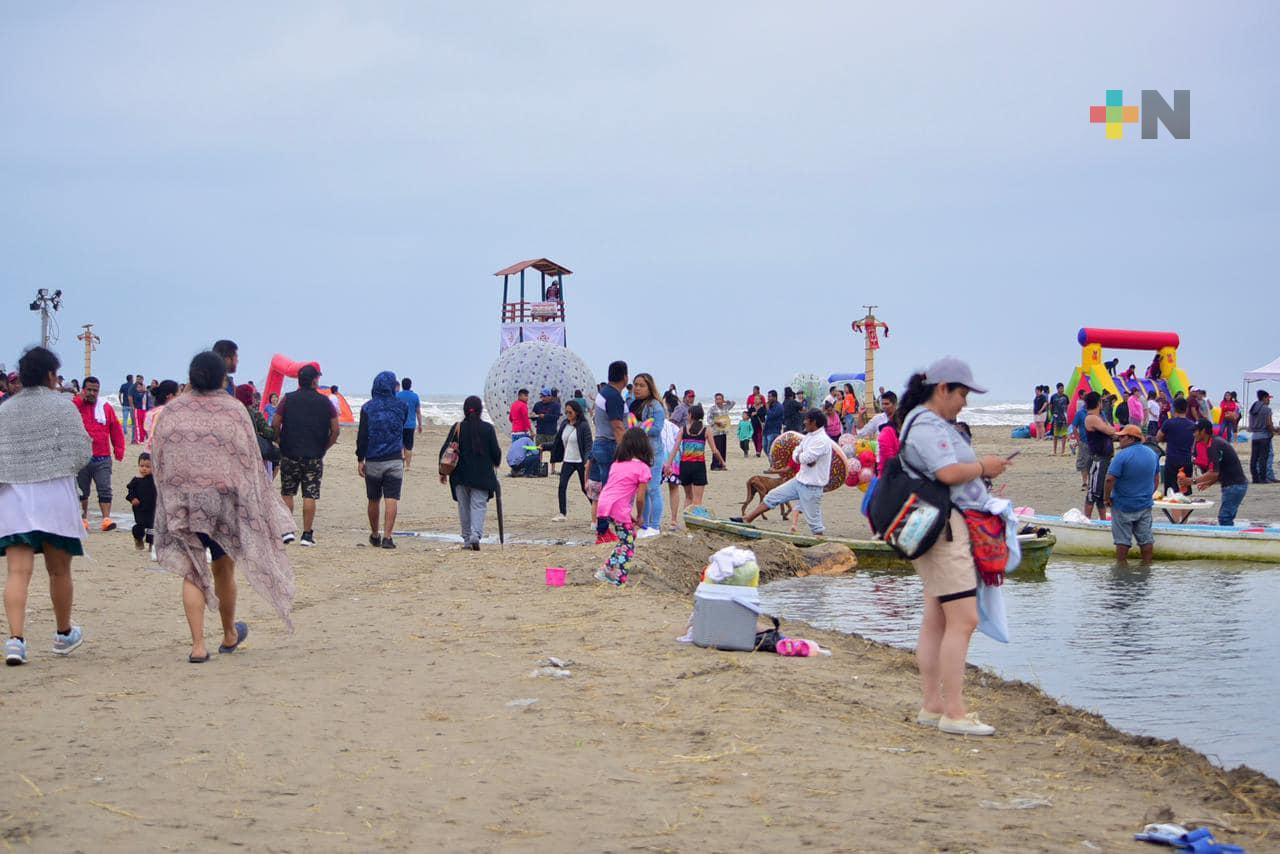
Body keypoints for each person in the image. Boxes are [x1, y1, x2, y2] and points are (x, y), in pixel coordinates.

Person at [152, 351, 295, 663]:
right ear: (221, 378)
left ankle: (198, 645)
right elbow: (248, 459)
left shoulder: (172, 411)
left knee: (192, 571)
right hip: (223, 500)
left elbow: (159, 456)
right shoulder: (234, 411)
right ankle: (229, 633)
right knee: (222, 567)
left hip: (184, 500)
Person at [895, 358, 1010, 737]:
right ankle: (954, 712)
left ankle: (933, 705)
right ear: (942, 388)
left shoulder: (920, 421)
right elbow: (947, 473)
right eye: (962, 393)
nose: (964, 403)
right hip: (946, 530)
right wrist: (983, 467)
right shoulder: (927, 423)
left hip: (937, 527)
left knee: (938, 618)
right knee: (964, 620)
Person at [0, 346, 92, 666]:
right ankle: (63, 633)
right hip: (55, 495)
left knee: (17, 572)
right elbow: (82, 450)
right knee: (59, 570)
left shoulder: (5, 410)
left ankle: (15, 640)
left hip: (14, 496)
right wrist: (56, 466)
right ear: (51, 375)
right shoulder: (63, 407)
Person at [271, 364, 339, 547]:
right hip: (314, 454)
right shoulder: (325, 402)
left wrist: (279, 441)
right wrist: (325, 447)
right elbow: (335, 429)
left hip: (290, 452)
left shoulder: (288, 399)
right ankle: (307, 535)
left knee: (288, 492)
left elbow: (275, 423)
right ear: (315, 380)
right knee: (310, 494)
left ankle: (287, 531)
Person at [733, 409, 832, 535]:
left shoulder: (822, 440)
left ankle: (822, 543)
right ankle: (747, 519)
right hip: (799, 480)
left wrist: (800, 456)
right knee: (773, 496)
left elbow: (806, 458)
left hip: (813, 485)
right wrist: (800, 456)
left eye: (807, 419)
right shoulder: (809, 436)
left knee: (815, 523)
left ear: (814, 422)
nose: (804, 422)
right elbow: (797, 452)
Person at [440, 396, 501, 550]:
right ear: (480, 410)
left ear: (464, 410)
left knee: (464, 507)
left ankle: (467, 539)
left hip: (460, 475)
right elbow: (496, 453)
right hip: (482, 476)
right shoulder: (488, 428)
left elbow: (445, 451)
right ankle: (476, 535)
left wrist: (442, 472)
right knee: (478, 506)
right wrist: (496, 462)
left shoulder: (457, 427)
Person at [593, 428, 653, 586]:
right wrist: (640, 516)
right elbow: (640, 498)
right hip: (617, 507)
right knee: (628, 543)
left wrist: (629, 516)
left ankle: (610, 570)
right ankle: (613, 574)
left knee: (627, 537)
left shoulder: (617, 464)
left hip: (604, 504)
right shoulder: (643, 468)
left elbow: (618, 489)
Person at [356, 371, 409, 549]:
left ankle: (374, 534)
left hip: (373, 458)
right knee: (392, 498)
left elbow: (362, 435)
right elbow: (404, 430)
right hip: (394, 457)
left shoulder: (367, 408)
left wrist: (360, 458)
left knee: (373, 499)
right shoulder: (401, 406)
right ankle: (388, 536)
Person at [72, 376, 126, 532]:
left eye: (95, 390)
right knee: (82, 491)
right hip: (80, 457)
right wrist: (79, 400)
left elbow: (115, 429)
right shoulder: (75, 406)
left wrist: (119, 449)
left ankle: (106, 519)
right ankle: (83, 519)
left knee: (104, 488)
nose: (92, 393)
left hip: (102, 457)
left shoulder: (106, 408)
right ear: (83, 390)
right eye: (89, 389)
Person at [1103, 425, 1159, 565]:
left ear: (1131, 438)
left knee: (1122, 541)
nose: (1119, 439)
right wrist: (1148, 493)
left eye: (1122, 437)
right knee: (1146, 539)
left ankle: (1121, 569)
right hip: (1144, 504)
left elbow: (1110, 479)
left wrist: (1106, 498)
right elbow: (1156, 478)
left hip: (1123, 504)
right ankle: (1146, 567)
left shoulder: (1122, 455)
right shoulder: (1152, 454)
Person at [666, 404, 723, 517]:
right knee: (697, 500)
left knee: (688, 497)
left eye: (688, 414)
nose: (687, 416)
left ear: (691, 415)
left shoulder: (683, 430)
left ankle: (686, 519)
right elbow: (715, 450)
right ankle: (694, 521)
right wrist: (722, 462)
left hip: (685, 466)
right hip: (698, 466)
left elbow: (675, 448)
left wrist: (669, 464)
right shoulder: (706, 430)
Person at [1190, 419, 1250, 525]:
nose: (1193, 434)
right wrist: (1209, 483)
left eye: (1195, 431)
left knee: (1225, 518)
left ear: (1203, 431)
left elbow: (1214, 472)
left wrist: (1192, 481)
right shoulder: (1214, 442)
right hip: (1235, 485)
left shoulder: (1214, 445)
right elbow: (1220, 468)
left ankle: (1230, 540)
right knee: (1226, 517)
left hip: (1234, 486)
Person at [629, 373, 666, 538]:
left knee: (653, 489)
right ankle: (645, 525)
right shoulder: (632, 404)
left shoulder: (655, 406)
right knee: (642, 491)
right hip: (637, 452)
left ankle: (655, 525)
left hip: (653, 453)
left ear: (649, 387)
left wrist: (638, 428)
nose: (637, 388)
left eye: (641, 385)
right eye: (635, 384)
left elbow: (657, 428)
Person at [589, 361, 629, 506]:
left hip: (600, 442)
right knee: (611, 487)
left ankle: (605, 520)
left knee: (606, 485)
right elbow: (618, 426)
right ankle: (606, 522)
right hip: (609, 444)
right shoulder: (613, 396)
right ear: (625, 377)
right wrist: (626, 451)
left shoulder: (604, 392)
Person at [549, 400, 591, 521]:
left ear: (577, 412)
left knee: (585, 488)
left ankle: (598, 510)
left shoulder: (583, 426)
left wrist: (587, 460)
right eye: (566, 412)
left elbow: (588, 445)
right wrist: (545, 446)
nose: (568, 414)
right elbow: (558, 442)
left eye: (570, 412)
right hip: (568, 460)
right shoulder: (564, 424)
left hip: (580, 461)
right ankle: (562, 513)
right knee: (562, 486)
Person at [1083, 391, 1119, 519]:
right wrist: (1110, 429)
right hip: (1097, 460)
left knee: (1101, 494)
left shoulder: (1099, 417)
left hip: (1105, 459)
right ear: (1098, 403)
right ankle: (1086, 519)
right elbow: (1110, 430)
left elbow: (1112, 432)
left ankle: (1103, 520)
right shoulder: (1091, 418)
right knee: (1093, 493)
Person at [1156, 397, 1196, 499]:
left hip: (1172, 460)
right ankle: (1183, 515)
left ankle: (1175, 515)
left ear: (1174, 408)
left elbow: (1158, 437)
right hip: (1186, 460)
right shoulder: (1192, 425)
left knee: (1171, 493)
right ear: (1186, 409)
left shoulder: (1169, 423)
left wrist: (1168, 438)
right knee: (1185, 493)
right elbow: (1194, 442)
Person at [126, 452, 157, 551]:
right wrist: (133, 498)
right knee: (139, 527)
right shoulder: (136, 480)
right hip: (140, 509)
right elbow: (130, 491)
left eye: (148, 466)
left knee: (153, 528)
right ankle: (138, 539)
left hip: (153, 508)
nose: (144, 468)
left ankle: (152, 545)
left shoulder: (156, 480)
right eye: (142, 466)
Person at [1248, 390, 1277, 484]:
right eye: (1268, 398)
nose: (1269, 400)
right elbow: (1268, 423)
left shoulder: (1252, 409)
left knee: (1254, 458)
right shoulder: (1266, 409)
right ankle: (1263, 478)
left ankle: (1255, 478)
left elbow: (1250, 424)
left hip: (1254, 436)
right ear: (1264, 398)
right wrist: (1273, 431)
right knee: (1263, 458)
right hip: (1264, 436)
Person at [532, 389, 562, 475]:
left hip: (551, 431)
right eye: (541, 396)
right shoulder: (537, 405)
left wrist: (544, 416)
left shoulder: (556, 405)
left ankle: (553, 469)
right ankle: (538, 466)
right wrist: (533, 415)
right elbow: (534, 416)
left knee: (553, 450)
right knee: (538, 449)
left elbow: (556, 417)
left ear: (550, 396)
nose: (543, 398)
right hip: (540, 431)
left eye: (544, 396)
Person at [396, 377, 423, 469]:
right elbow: (418, 412)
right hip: (411, 425)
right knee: (409, 446)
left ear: (402, 386)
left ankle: (401, 463)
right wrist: (420, 424)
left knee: (400, 445)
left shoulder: (397, 396)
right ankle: (408, 465)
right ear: (410, 385)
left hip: (399, 424)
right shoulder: (415, 396)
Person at [708, 393, 735, 470]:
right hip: (716, 432)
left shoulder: (725, 407)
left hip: (723, 431)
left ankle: (722, 464)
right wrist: (716, 422)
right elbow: (708, 419)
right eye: (717, 399)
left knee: (723, 449)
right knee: (717, 448)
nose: (718, 401)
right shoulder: (712, 408)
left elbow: (733, 403)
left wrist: (725, 401)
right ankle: (715, 465)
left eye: (720, 399)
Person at [876, 391, 900, 473]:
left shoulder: (900, 421)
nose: (884, 407)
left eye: (887, 404)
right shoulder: (878, 419)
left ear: (895, 404)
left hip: (893, 467)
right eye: (882, 404)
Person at [1049, 383, 1070, 456]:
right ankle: (1054, 451)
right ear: (1057, 389)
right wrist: (1053, 414)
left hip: (1063, 418)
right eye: (1060, 388)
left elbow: (1067, 406)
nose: (1062, 390)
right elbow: (1050, 406)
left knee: (1064, 435)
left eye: (1063, 388)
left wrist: (1065, 414)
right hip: (1056, 418)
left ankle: (1063, 451)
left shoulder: (1065, 397)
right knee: (1055, 435)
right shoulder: (1053, 397)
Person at [746, 385, 766, 457]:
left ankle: (759, 452)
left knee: (760, 437)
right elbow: (749, 413)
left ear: (760, 400)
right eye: (755, 399)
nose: (755, 400)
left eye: (757, 399)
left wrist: (757, 413)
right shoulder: (752, 406)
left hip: (761, 424)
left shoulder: (762, 406)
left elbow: (764, 412)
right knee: (754, 437)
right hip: (753, 424)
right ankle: (756, 450)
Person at [762, 390, 784, 455]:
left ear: (774, 397)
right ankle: (772, 463)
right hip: (766, 431)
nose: (768, 398)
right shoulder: (769, 405)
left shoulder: (779, 406)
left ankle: (773, 464)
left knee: (770, 450)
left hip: (774, 431)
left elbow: (772, 415)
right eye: (768, 396)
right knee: (765, 448)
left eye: (769, 397)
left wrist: (768, 409)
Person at [131, 378, 151, 444]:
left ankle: (143, 439)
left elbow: (148, 401)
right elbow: (138, 398)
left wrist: (145, 391)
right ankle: (139, 440)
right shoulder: (136, 393)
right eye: (138, 387)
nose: (139, 388)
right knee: (138, 426)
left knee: (144, 425)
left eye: (140, 387)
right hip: (138, 410)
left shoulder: (146, 393)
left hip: (145, 410)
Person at [118, 374, 135, 441]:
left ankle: (125, 431)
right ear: (131, 379)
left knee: (125, 419)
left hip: (125, 404)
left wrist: (120, 402)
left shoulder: (123, 385)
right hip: (131, 405)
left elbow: (119, 395)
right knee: (133, 420)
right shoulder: (133, 386)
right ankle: (133, 432)